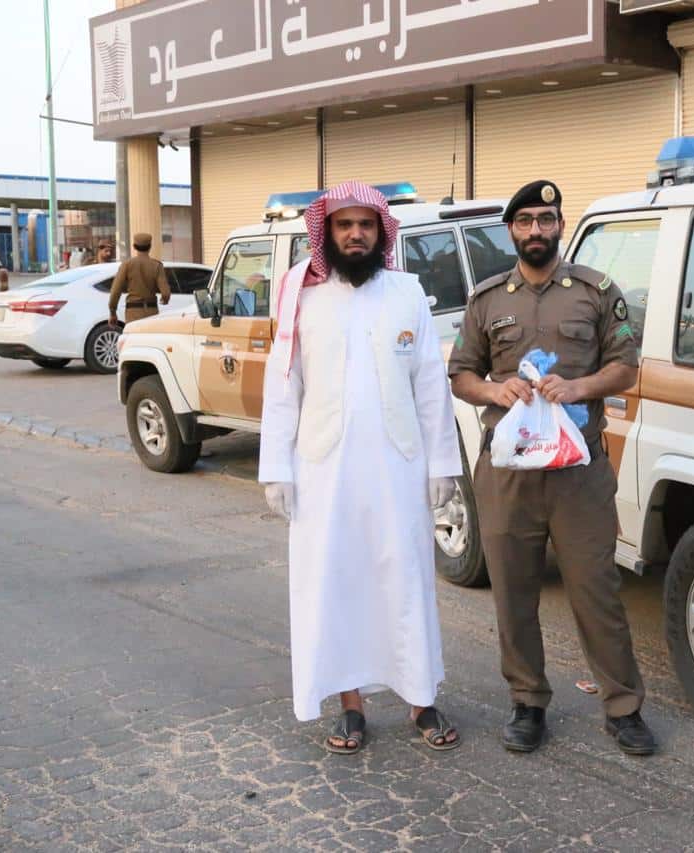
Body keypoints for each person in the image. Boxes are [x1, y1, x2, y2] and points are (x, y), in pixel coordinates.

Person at [448, 180, 657, 756]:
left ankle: (623, 707)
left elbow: (625, 367)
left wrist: (578, 386)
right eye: (525, 222)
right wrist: (495, 389)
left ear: (560, 225)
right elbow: (461, 375)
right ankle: (527, 702)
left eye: (546, 219)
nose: (536, 230)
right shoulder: (487, 299)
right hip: (509, 473)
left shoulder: (595, 291)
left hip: (578, 473)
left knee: (597, 591)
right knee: (514, 592)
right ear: (510, 231)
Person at [258, 181, 463, 754]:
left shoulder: (408, 293)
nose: (355, 234)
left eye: (365, 225)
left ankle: (422, 699)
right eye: (344, 225)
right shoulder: (301, 295)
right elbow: (283, 386)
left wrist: (441, 462)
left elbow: (430, 385)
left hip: (399, 467)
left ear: (381, 233)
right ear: (327, 232)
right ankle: (350, 707)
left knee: (404, 582)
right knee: (337, 583)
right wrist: (277, 466)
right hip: (324, 470)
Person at [108, 233, 170, 327]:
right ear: (150, 247)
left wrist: (113, 312)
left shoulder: (127, 265)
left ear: (134, 246)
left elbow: (115, 291)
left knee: (135, 339)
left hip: (133, 313)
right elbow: (165, 293)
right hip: (151, 311)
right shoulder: (157, 265)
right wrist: (164, 299)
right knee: (150, 340)